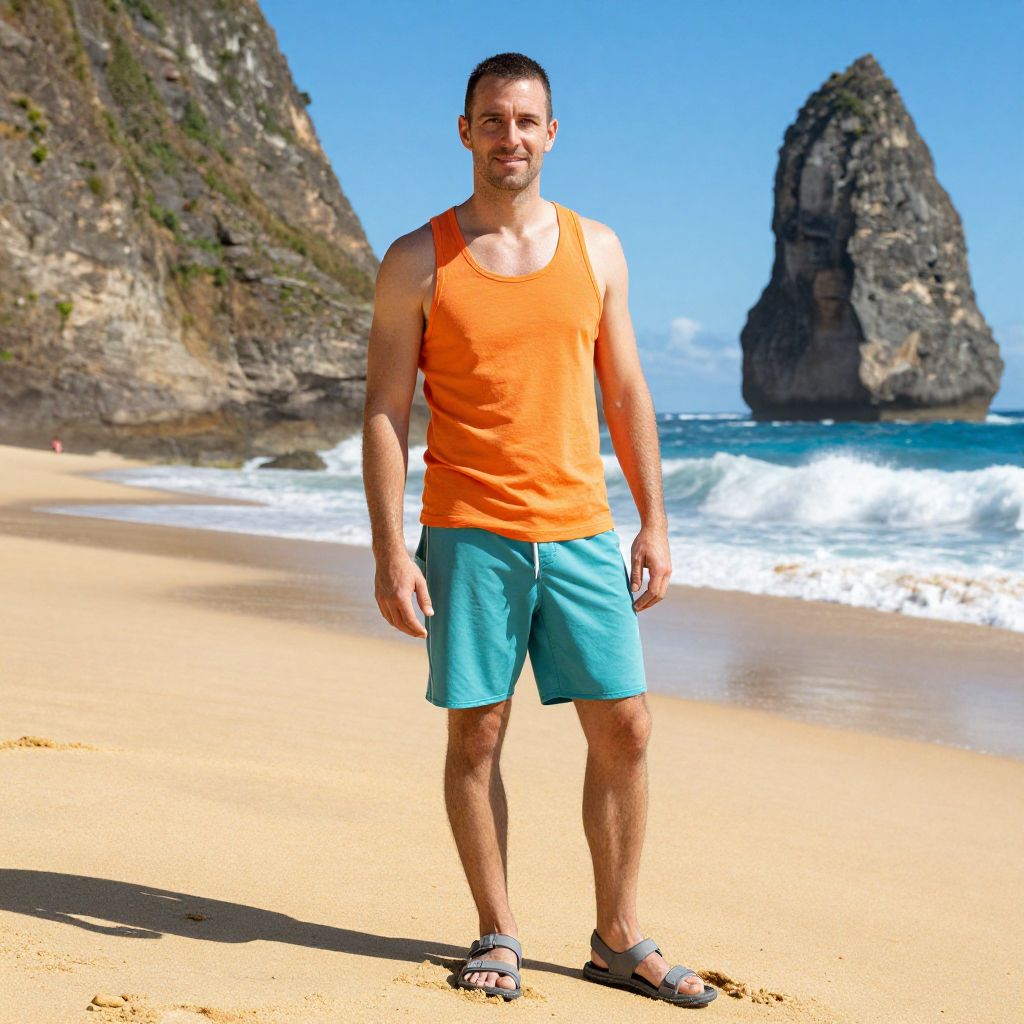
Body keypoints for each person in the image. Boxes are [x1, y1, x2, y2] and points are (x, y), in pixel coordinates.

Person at [361, 52, 716, 1009]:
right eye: (491, 120)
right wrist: (392, 550)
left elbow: (627, 387)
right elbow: (387, 412)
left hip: (581, 529)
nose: (509, 137)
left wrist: (655, 521)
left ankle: (617, 935)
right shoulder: (415, 259)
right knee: (478, 737)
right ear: (464, 130)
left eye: (526, 122)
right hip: (468, 529)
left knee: (628, 729)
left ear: (550, 135)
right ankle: (497, 930)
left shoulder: (597, 247)